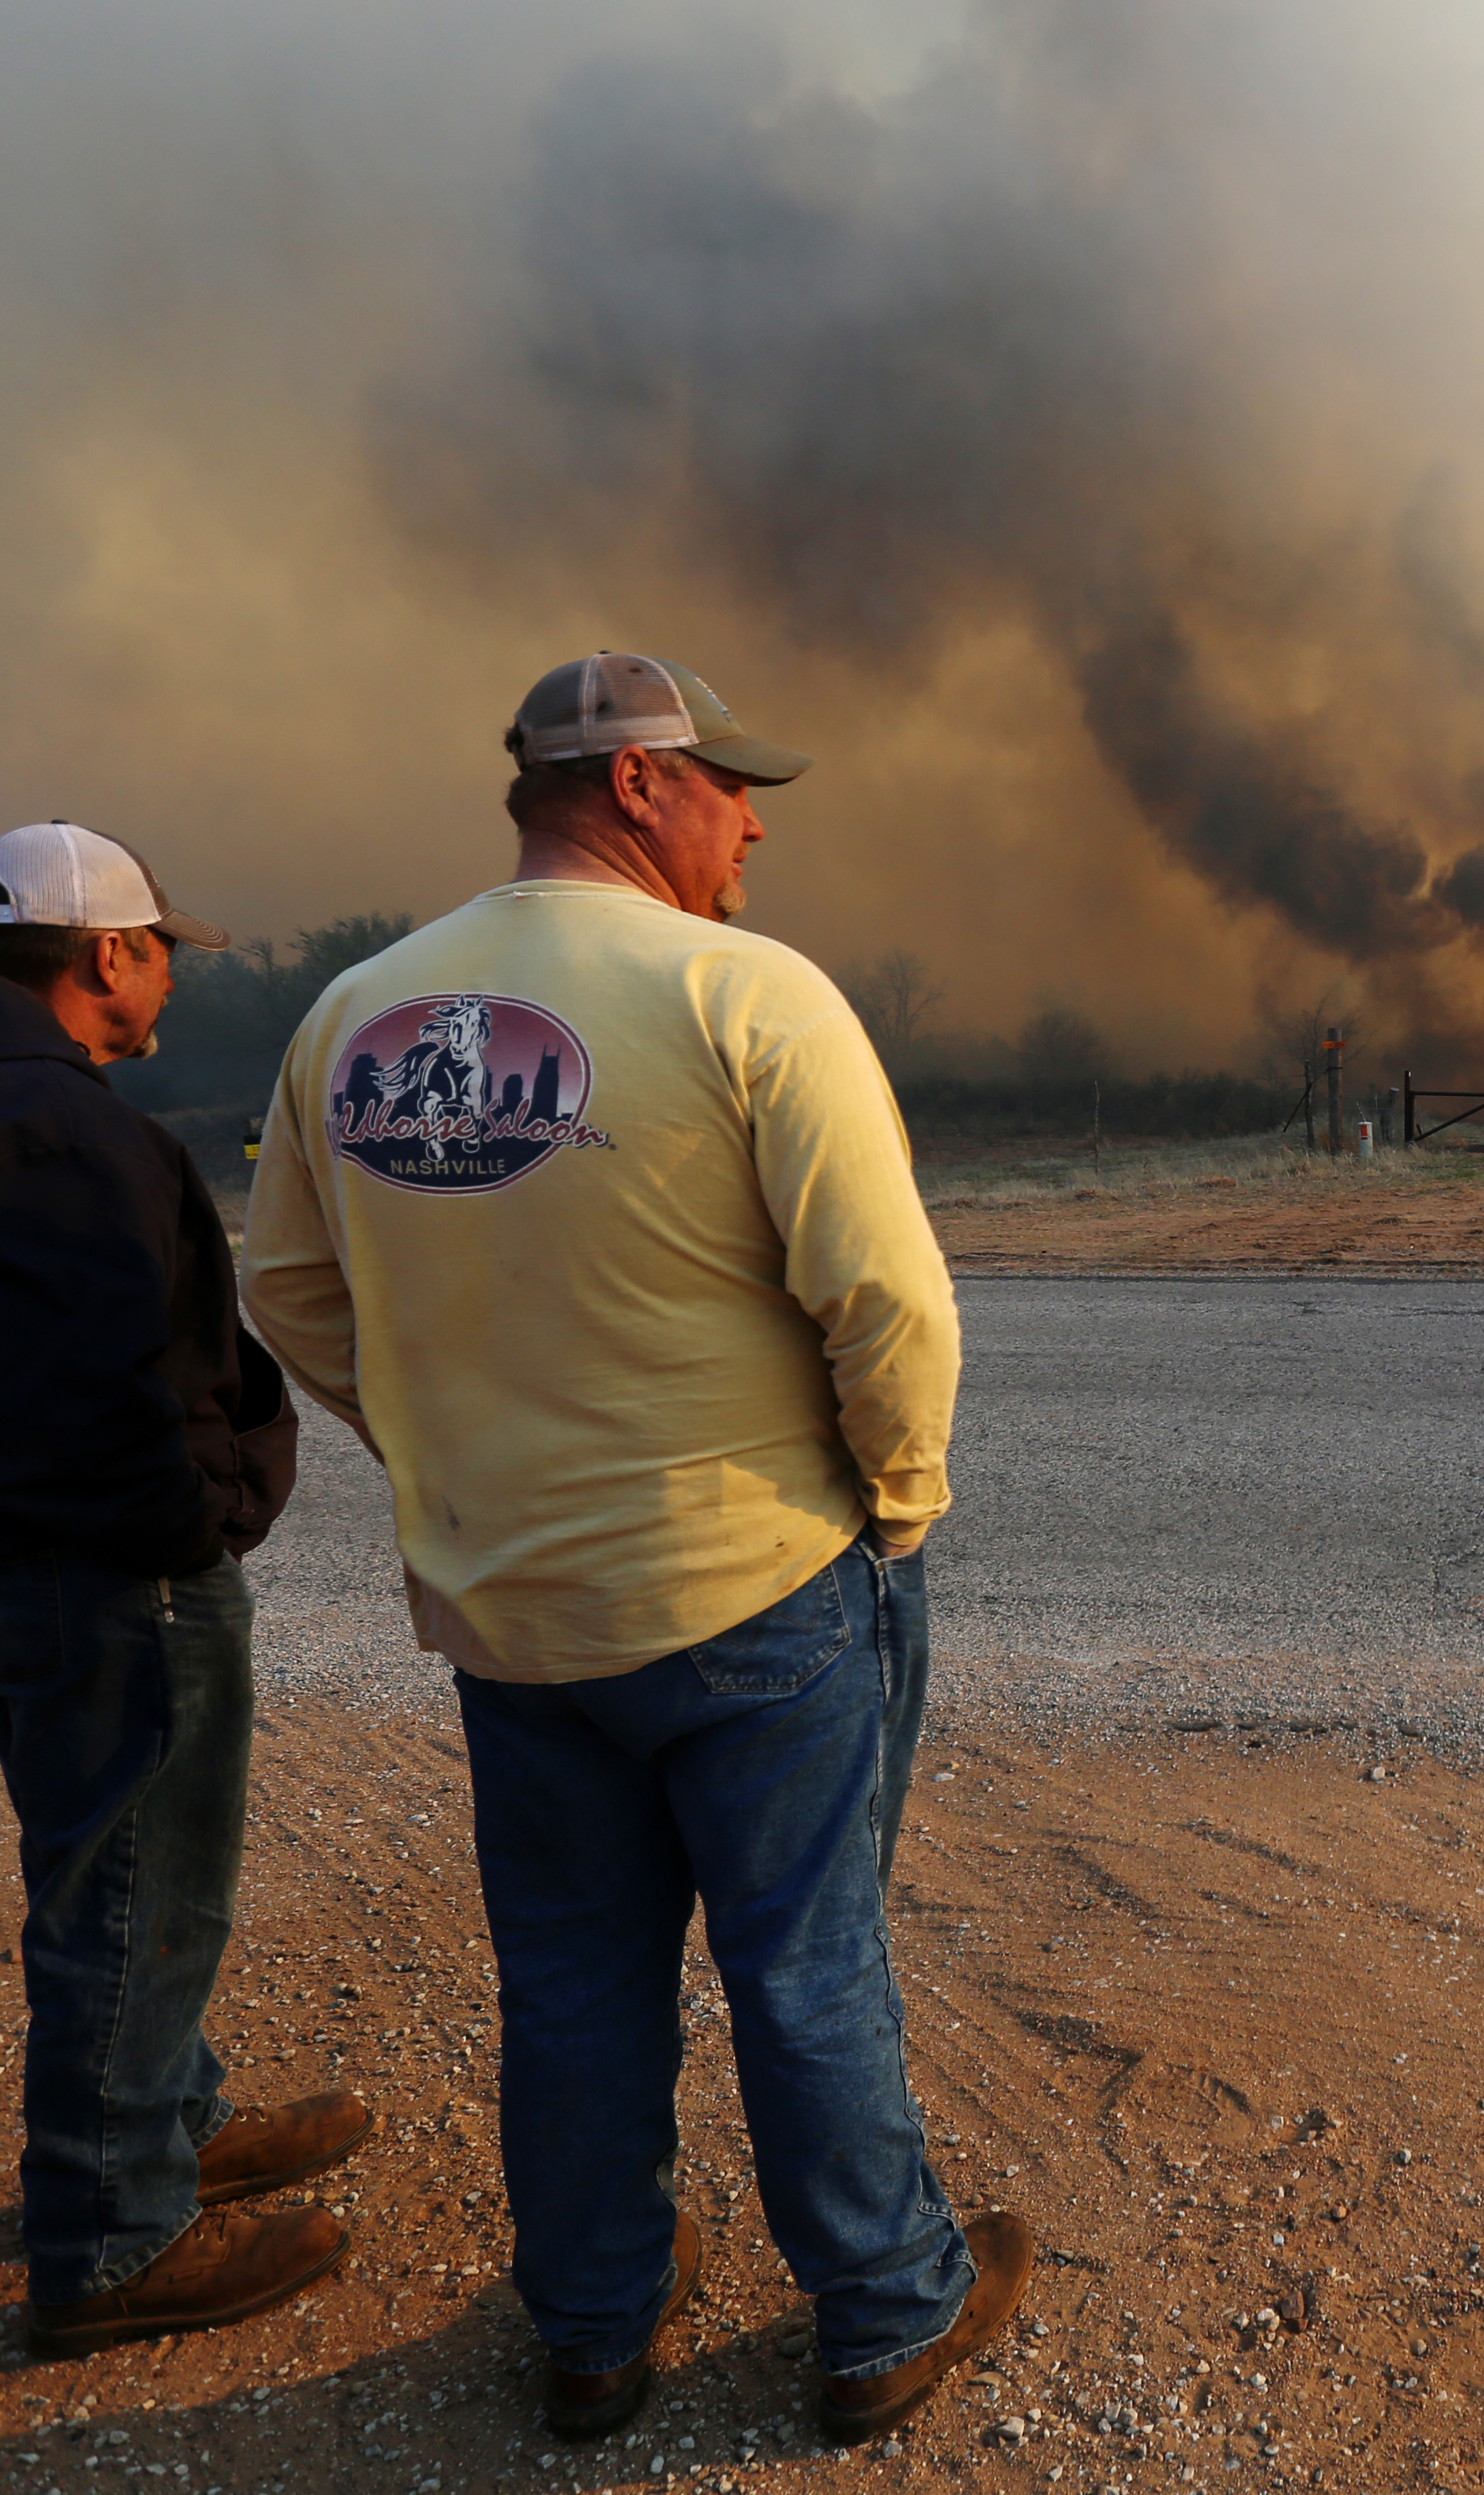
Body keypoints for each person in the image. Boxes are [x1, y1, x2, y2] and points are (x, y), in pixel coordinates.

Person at [241, 652, 1027, 2449]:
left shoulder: (354, 1016)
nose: (754, 819)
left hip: (511, 1614)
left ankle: (595, 2331)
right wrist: (895, 1505)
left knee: (577, 1978)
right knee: (806, 1961)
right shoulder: (746, 994)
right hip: (752, 1585)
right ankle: (885, 2313)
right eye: (731, 785)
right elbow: (886, 1300)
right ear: (636, 787)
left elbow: (288, 1293)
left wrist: (447, 1457)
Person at [0, 823, 370, 2358]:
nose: (170, 973)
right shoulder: (51, 1129)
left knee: (105, 1859)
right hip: (102, 1572)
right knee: (135, 1884)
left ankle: (161, 2122)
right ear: (106, 953)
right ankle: (109, 2231)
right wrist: (206, 1513)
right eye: (163, 944)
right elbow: (99, 1402)